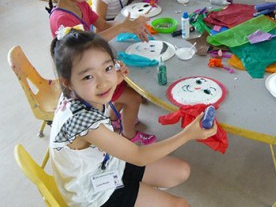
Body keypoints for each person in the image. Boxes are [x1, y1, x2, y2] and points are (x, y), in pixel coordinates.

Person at [49, 29, 217, 206]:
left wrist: (116, 79)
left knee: (181, 170)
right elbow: (138, 155)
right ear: (67, 82)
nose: (104, 82)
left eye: (107, 68)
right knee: (179, 204)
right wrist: (187, 134)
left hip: (108, 164)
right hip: (93, 192)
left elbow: (100, 86)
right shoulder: (83, 123)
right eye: (88, 77)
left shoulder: (76, 91)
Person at [46, 0, 156, 145]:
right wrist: (123, 27)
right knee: (134, 97)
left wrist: (129, 23)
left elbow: (103, 25)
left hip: (94, 71)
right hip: (82, 82)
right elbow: (83, 49)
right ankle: (129, 135)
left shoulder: (80, 5)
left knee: (125, 78)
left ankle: (114, 119)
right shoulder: (61, 19)